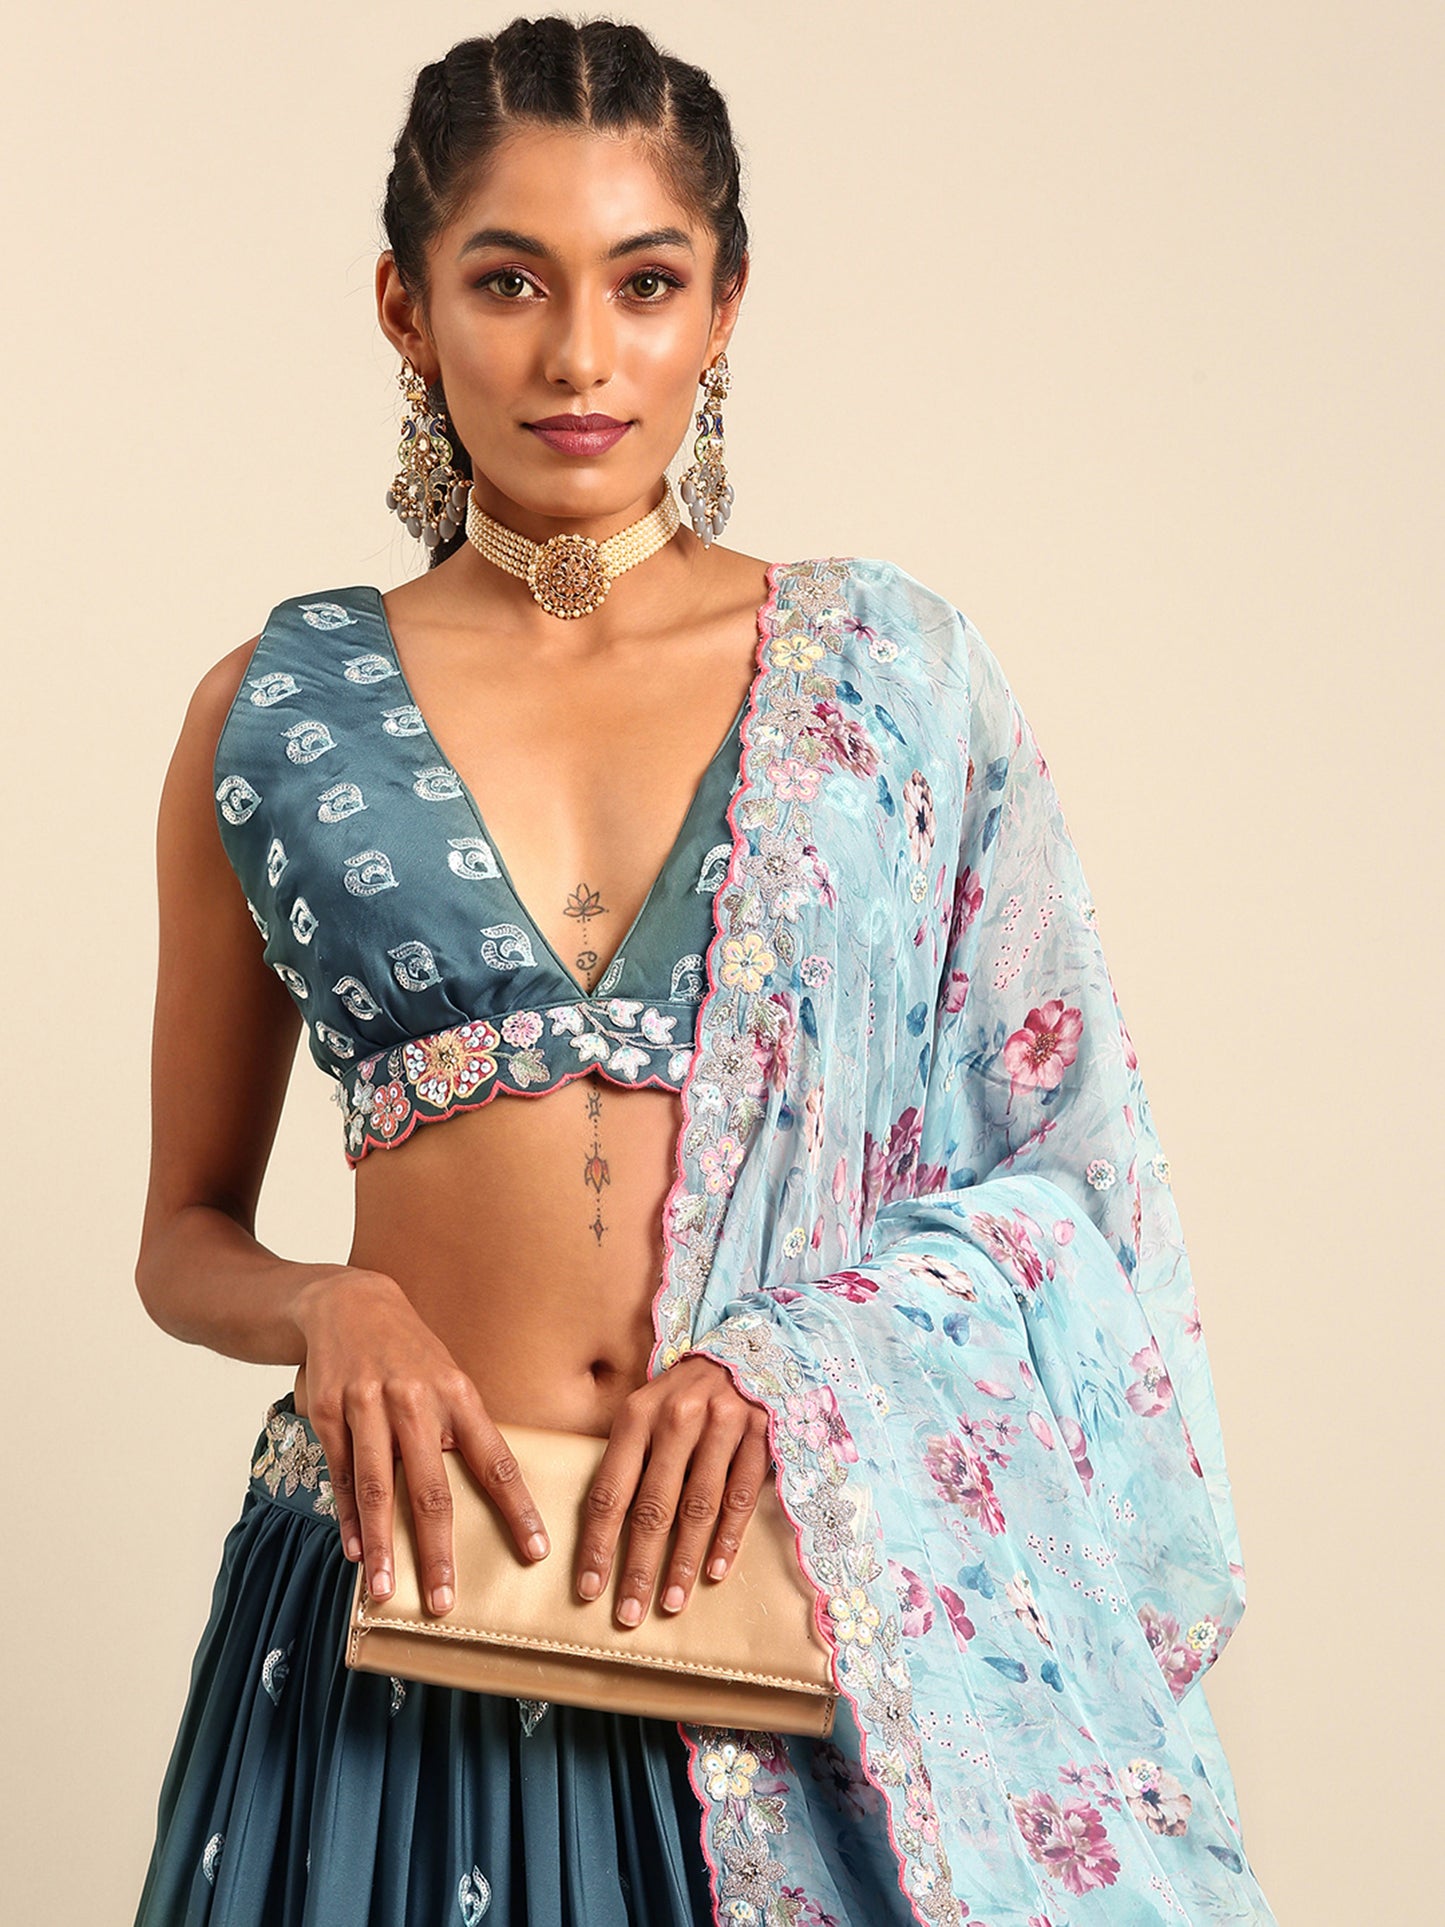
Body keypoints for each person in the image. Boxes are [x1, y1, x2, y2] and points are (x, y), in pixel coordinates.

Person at [132, 16, 1276, 1926]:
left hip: (769, 1628)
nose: (580, 356)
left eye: (644, 283)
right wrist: (328, 1305)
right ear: (407, 310)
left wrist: (794, 1367)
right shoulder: (272, 708)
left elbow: (1070, 1185)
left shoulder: (893, 688)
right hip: (398, 1617)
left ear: (723, 305)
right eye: (509, 282)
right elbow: (179, 1236)